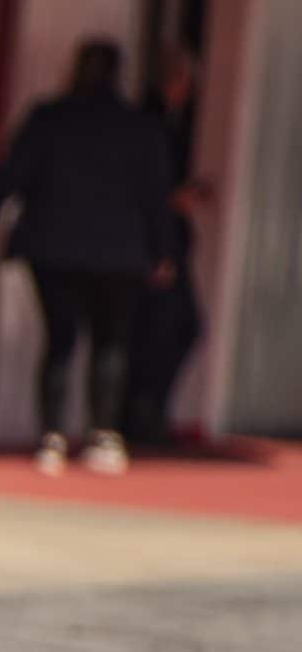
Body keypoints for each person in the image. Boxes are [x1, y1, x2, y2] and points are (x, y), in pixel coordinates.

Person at [0, 39, 175, 477]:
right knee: (111, 340)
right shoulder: (139, 127)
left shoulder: (48, 118)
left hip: (53, 248)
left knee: (60, 339)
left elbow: (13, 171)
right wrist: (162, 252)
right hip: (120, 253)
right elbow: (156, 196)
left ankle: (52, 437)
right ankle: (103, 433)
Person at [125, 48, 206, 448]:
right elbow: (148, 194)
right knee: (168, 329)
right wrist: (161, 250)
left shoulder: (166, 125)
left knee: (169, 330)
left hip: (164, 245)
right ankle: (141, 413)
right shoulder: (151, 125)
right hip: (155, 248)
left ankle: (147, 411)